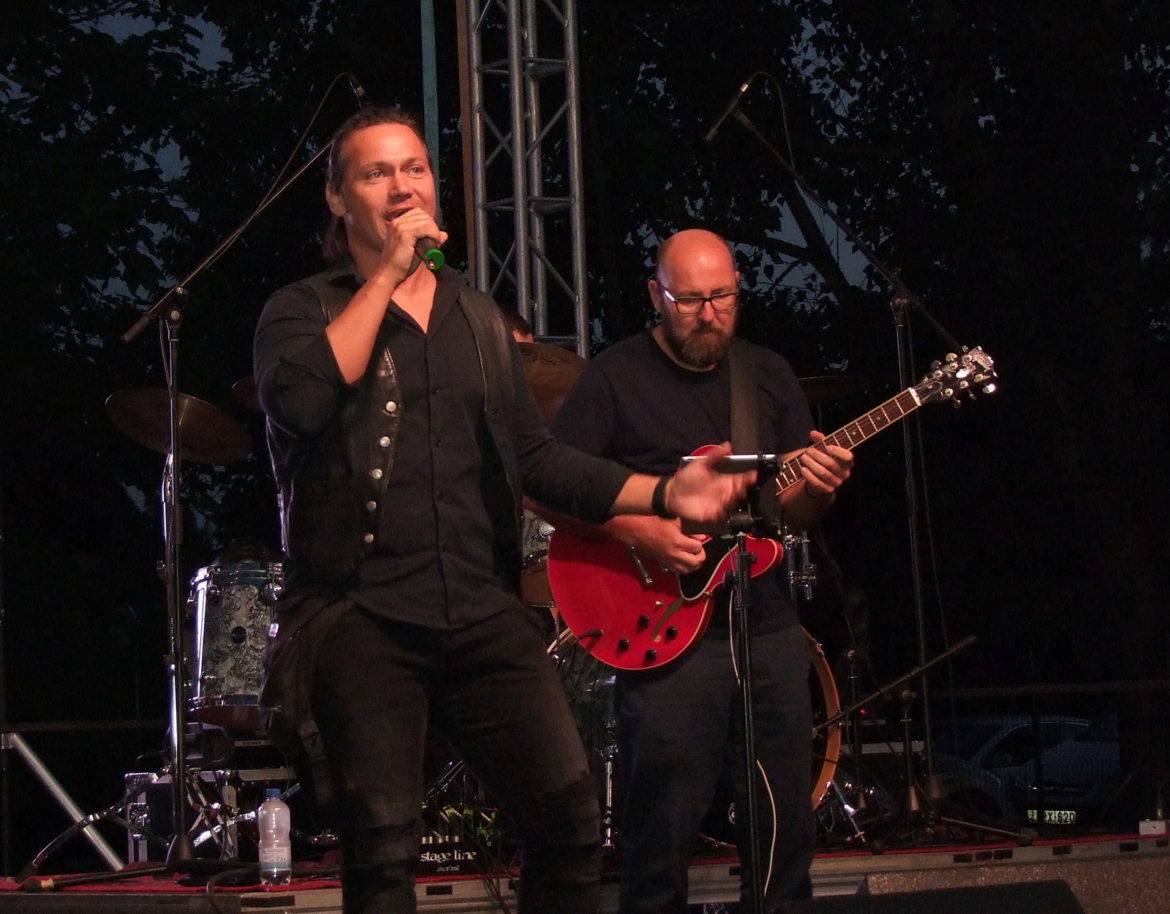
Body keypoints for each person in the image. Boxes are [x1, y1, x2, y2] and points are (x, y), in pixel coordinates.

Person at [251, 108, 753, 914]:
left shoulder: (477, 317)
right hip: (363, 615)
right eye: (377, 173)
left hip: (480, 613)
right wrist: (386, 275)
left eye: (415, 168)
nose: (402, 186)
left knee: (570, 824)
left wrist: (665, 492)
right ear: (339, 199)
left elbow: (539, 460)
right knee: (382, 849)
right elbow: (301, 404)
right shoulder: (300, 309)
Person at [548, 228, 855, 913]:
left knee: (783, 833)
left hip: (765, 624)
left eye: (722, 297)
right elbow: (549, 488)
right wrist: (636, 529)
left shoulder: (766, 374)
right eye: (689, 300)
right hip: (662, 632)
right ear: (656, 295)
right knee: (659, 839)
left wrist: (822, 486)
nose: (709, 313)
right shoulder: (615, 377)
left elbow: (790, 510)